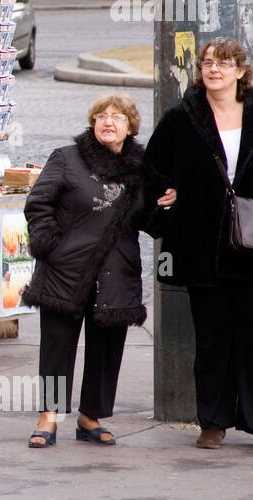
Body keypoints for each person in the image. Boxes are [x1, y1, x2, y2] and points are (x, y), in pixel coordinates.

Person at [143, 37, 253, 452]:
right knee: (212, 340)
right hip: (202, 245)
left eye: (223, 63)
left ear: (241, 70)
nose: (213, 69)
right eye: (207, 63)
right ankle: (213, 422)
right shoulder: (183, 117)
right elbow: (152, 171)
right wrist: (164, 198)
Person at [21, 94, 171, 448]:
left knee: (106, 347)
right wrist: (48, 245)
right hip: (66, 269)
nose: (108, 121)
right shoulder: (67, 158)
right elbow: (38, 203)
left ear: (130, 127)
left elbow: (149, 221)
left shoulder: (143, 168)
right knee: (57, 345)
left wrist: (167, 207)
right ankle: (49, 416)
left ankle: (91, 417)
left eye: (118, 117)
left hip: (116, 271)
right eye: (101, 116)